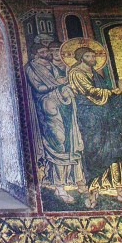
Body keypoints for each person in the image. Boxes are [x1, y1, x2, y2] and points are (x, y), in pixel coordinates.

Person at [65, 42, 122, 207]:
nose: (92, 58)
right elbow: (90, 92)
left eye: (93, 55)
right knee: (96, 152)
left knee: (115, 150)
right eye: (88, 56)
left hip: (105, 118)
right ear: (80, 58)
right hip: (90, 117)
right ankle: (93, 193)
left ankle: (121, 193)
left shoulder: (95, 74)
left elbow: (103, 94)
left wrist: (119, 93)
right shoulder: (76, 73)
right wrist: (115, 91)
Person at [26, 41, 85, 203]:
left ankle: (75, 182)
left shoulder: (53, 66)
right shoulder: (32, 67)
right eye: (43, 51)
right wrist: (57, 84)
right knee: (58, 143)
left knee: (72, 142)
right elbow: (39, 88)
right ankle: (59, 187)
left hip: (64, 106)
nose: (47, 54)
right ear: (35, 54)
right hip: (48, 108)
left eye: (47, 51)